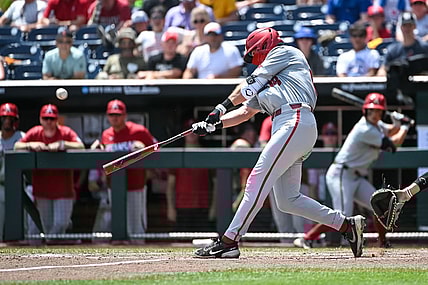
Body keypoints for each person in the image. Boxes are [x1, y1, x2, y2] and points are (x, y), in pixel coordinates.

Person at [191, 27, 366, 259]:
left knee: (256, 180)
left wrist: (219, 108)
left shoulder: (285, 52)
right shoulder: (272, 81)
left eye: (255, 54)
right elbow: (245, 112)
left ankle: (229, 241)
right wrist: (214, 124)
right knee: (287, 200)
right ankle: (346, 226)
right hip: (288, 127)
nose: (255, 60)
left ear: (264, 45)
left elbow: (248, 85)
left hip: (294, 120)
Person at [294, 93, 410, 249]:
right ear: (365, 111)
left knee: (380, 207)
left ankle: (383, 244)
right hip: (342, 174)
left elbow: (390, 131)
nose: (374, 114)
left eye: (378, 111)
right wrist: (405, 126)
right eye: (371, 110)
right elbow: (392, 145)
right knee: (341, 214)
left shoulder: (377, 125)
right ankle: (306, 239)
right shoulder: (365, 129)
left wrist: (397, 123)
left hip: (356, 177)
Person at [14, 104, 85, 236]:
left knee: (61, 224)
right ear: (41, 119)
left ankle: (51, 246)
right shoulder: (35, 132)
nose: (48, 122)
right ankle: (51, 254)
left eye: (51, 119)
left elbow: (80, 146)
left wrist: (62, 144)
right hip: (42, 190)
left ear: (56, 119)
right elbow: (16, 146)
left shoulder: (65, 132)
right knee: (46, 226)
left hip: (63, 190)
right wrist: (30, 144)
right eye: (46, 118)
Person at [100, 99, 157, 240]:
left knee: (135, 225)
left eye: (118, 114)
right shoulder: (106, 134)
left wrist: (143, 148)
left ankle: (139, 251)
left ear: (125, 115)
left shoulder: (139, 131)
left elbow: (157, 150)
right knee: (117, 223)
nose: (115, 118)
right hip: (113, 186)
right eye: (112, 114)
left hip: (135, 185)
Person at [166, 118, 216, 231]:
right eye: (188, 130)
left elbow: (216, 184)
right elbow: (170, 186)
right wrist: (170, 207)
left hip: (203, 207)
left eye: (195, 131)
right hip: (181, 207)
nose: (192, 134)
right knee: (181, 243)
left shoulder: (207, 155)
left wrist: (214, 207)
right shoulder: (177, 156)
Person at [378, 12, 428, 103]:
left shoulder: (424, 48)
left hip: (423, 89)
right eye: (405, 25)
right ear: (401, 27)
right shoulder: (393, 50)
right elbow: (382, 70)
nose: (407, 28)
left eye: (410, 25)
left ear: (414, 26)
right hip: (400, 91)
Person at [0, 103, 26, 242]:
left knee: (23, 227)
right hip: (1, 185)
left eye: (10, 118)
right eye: (4, 118)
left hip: (19, 187)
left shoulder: (21, 136)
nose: (7, 122)